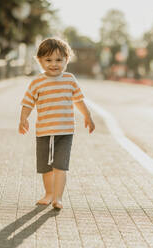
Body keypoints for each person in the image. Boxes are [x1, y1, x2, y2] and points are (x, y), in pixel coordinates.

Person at [18, 37, 95, 210]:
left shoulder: (70, 79)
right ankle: (49, 193)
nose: (54, 64)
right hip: (44, 131)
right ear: (40, 61)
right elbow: (27, 103)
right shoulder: (37, 82)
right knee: (45, 168)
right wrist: (23, 119)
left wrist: (87, 116)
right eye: (48, 60)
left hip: (65, 132)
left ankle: (58, 198)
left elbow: (79, 100)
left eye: (59, 60)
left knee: (61, 166)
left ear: (67, 60)